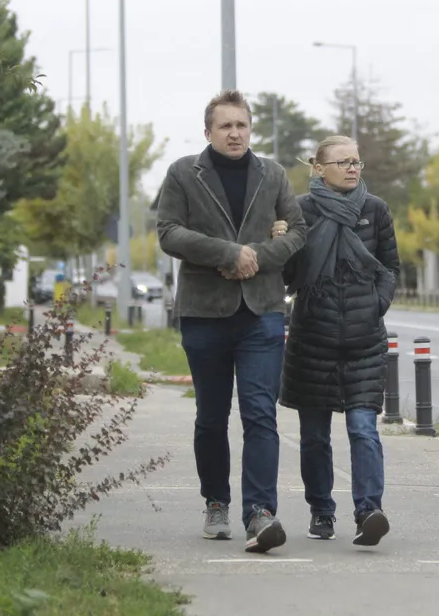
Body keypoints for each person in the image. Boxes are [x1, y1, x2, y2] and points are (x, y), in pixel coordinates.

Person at [155, 89, 307, 553]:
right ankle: (216, 503)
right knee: (211, 415)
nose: (235, 133)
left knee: (261, 414)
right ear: (208, 132)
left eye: (241, 125)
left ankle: (260, 514)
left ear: (250, 129)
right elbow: (169, 232)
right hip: (204, 313)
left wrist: (254, 257)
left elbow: (298, 231)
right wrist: (227, 253)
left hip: (261, 311)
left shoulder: (273, 174)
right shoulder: (184, 173)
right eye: (225, 126)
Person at [279, 134, 400, 546]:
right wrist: (280, 241)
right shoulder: (300, 210)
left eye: (356, 162)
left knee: (364, 429)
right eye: (343, 161)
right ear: (319, 168)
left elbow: (390, 266)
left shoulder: (375, 209)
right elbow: (289, 275)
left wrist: (376, 304)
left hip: (364, 340)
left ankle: (369, 512)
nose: (352, 168)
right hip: (312, 339)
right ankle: (321, 511)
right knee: (314, 436)